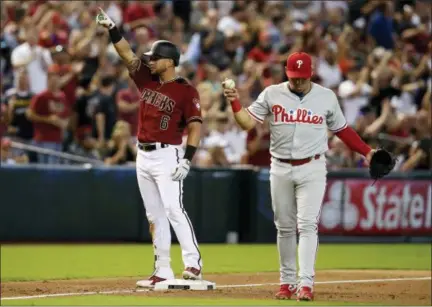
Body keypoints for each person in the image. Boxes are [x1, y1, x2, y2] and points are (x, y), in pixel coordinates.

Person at [222, 52, 375, 301]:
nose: (298, 83)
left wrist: (367, 152)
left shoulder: (326, 96)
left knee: (306, 225)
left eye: (302, 78)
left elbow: (342, 130)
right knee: (283, 227)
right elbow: (246, 124)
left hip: (312, 167)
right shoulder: (272, 93)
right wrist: (235, 102)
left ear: (311, 73)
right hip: (280, 166)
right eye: (294, 78)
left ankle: (306, 283)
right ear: (286, 72)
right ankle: (286, 282)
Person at [96, 8, 203, 287]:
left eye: (155, 58)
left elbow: (195, 126)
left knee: (173, 208)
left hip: (168, 153)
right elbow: (127, 55)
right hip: (142, 154)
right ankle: (163, 268)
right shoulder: (146, 79)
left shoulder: (186, 90)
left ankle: (192, 263)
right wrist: (112, 28)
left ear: (170, 61)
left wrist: (188, 159)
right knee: (154, 214)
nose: (150, 62)